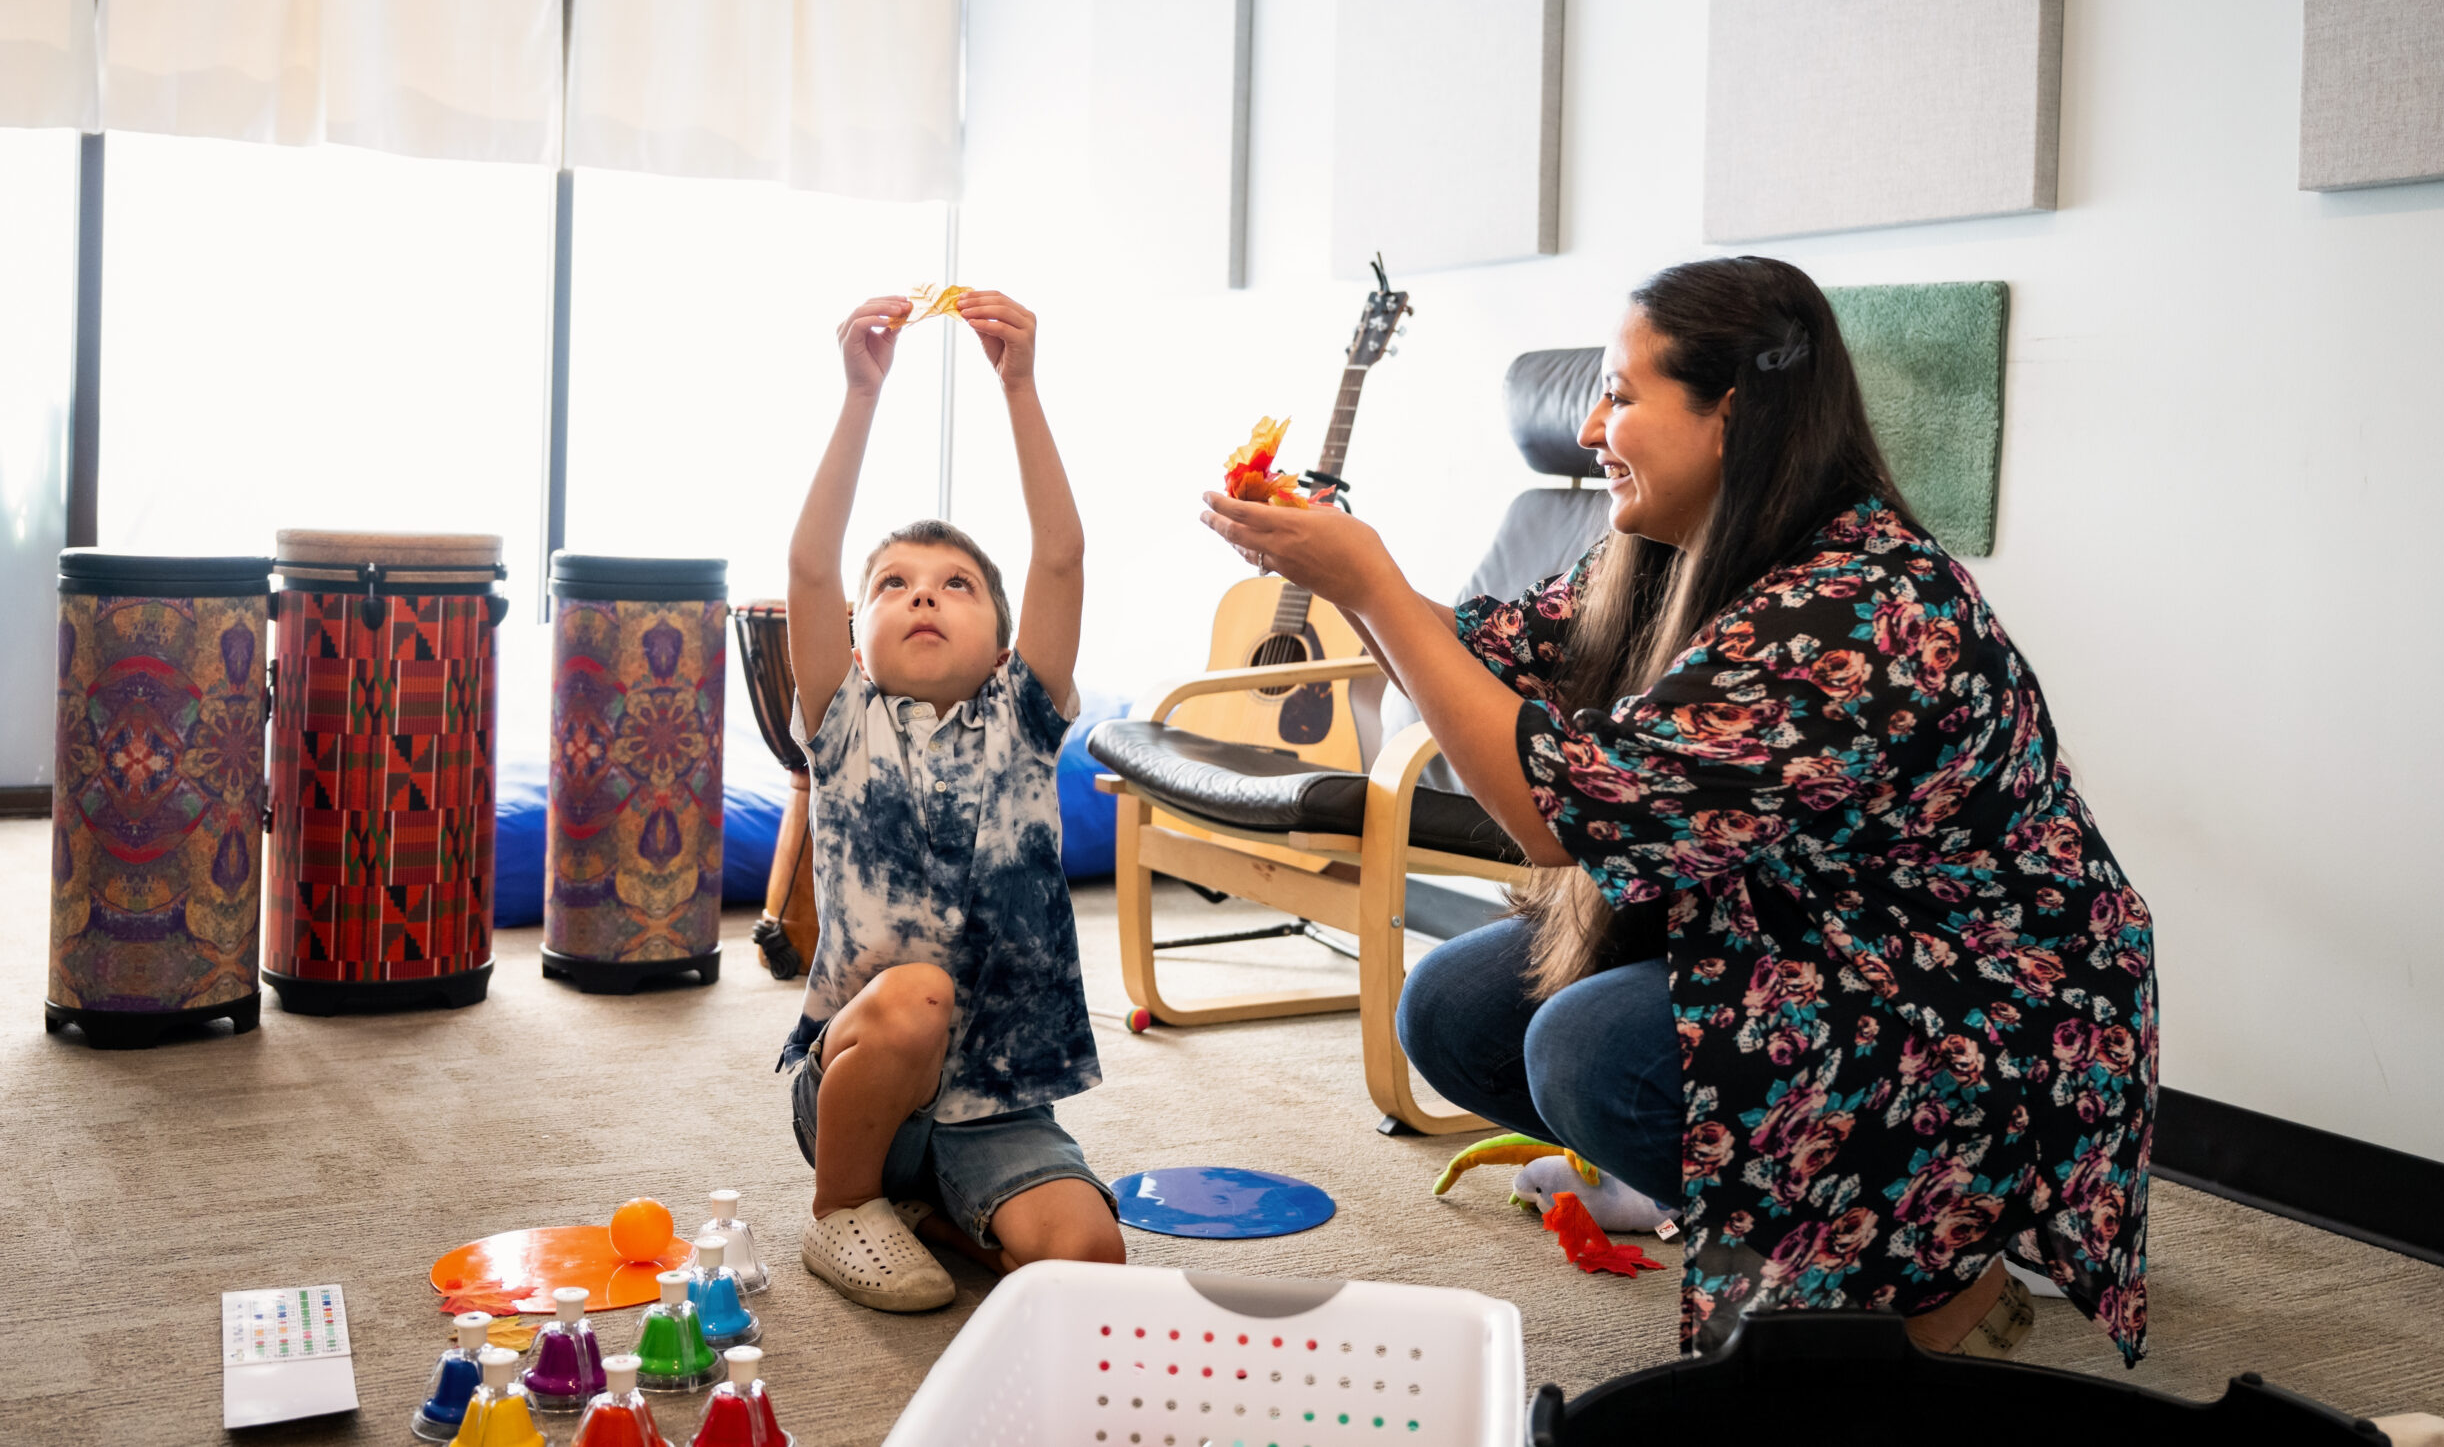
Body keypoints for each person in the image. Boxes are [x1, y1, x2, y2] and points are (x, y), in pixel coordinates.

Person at [1201, 256, 2155, 1365]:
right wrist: (1327, 569)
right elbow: (1480, 649)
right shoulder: (1671, 551)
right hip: (1804, 942)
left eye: (1621, 392)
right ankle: (1816, 1229)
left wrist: (1364, 585)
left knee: (1588, 1053)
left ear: (1730, 416)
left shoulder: (1861, 606)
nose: (1594, 424)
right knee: (1455, 1008)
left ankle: (1944, 1281)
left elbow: (1559, 817)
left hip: (1975, 1011)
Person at [781, 289, 1123, 1313]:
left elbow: (1060, 555)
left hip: (1003, 1100)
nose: (922, 594)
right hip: (864, 1075)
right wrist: (858, 396)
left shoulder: (1025, 715)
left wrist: (1020, 386)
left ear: (1009, 648)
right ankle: (844, 1210)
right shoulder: (841, 719)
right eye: (893, 583)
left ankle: (935, 1211)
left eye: (956, 584)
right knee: (918, 993)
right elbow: (806, 565)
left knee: (1088, 1264)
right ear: (855, 640)